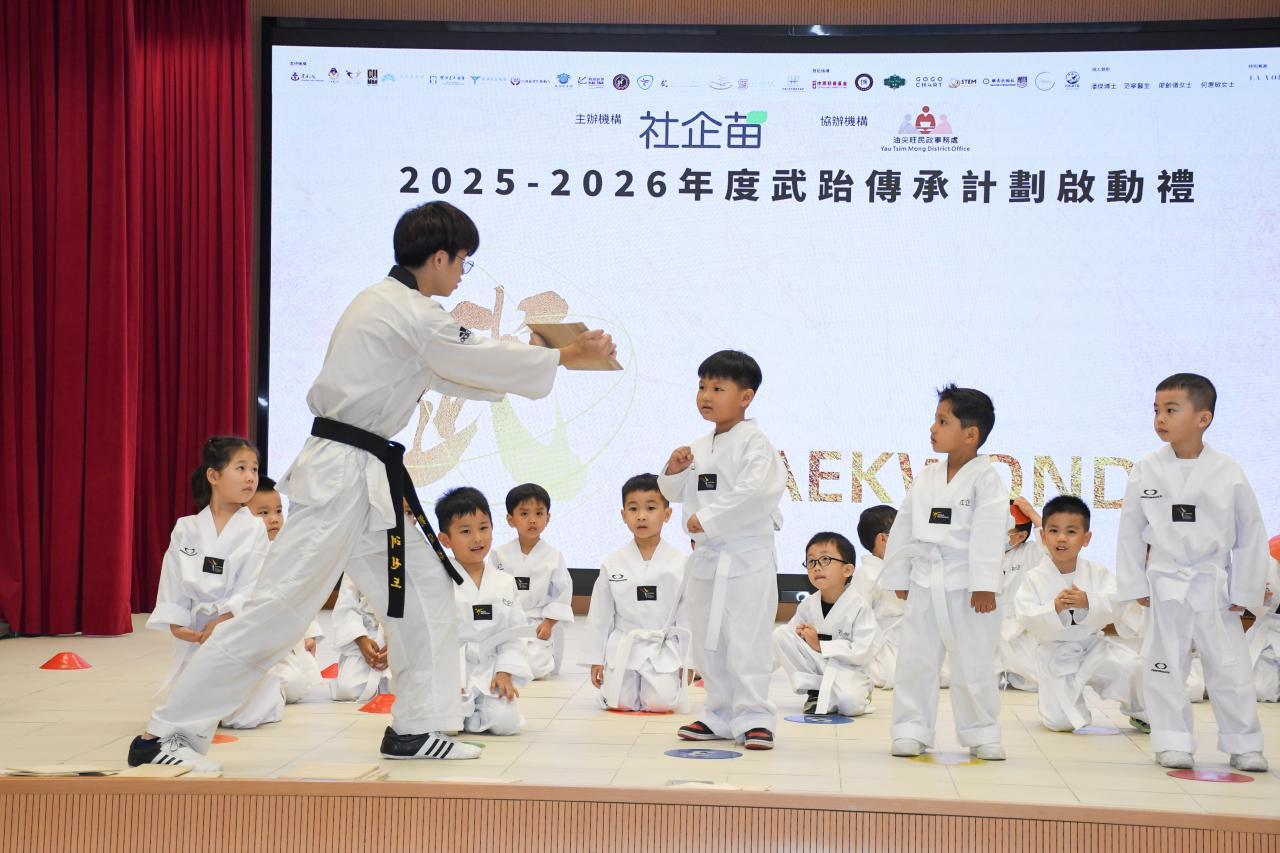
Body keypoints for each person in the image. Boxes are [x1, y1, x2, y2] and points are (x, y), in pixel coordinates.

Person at [128, 201, 615, 770]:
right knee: (278, 610)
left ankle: (416, 728)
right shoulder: (406, 311)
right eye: (463, 262)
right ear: (439, 258)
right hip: (340, 476)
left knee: (426, 593)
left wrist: (547, 356)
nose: (463, 274)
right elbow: (470, 355)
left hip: (367, 478)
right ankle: (166, 736)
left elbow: (460, 369)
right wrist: (565, 355)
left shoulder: (397, 309)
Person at [1116, 373, 1269, 772]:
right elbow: (1130, 531)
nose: (1160, 419)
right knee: (1163, 666)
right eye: (1156, 410)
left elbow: (1251, 534)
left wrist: (1245, 591)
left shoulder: (1228, 471)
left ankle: (1244, 742)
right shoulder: (1146, 468)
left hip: (1213, 585)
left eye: (1171, 410)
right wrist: (1134, 583)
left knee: (1229, 667)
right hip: (1164, 581)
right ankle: (1172, 740)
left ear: (1203, 418)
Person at [659, 350, 786, 750]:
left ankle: (755, 716)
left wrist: (709, 518)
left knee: (747, 638)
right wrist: (674, 471)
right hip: (707, 557)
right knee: (708, 639)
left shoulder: (756, 444)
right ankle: (718, 712)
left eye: (717, 388)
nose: (706, 396)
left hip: (745, 557)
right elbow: (674, 492)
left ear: (746, 397)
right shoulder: (699, 446)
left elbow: (756, 493)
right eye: (702, 387)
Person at [882, 385, 1007, 761]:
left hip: (968, 584)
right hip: (926, 578)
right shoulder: (926, 477)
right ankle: (911, 728)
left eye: (942, 421)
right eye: (935, 420)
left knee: (974, 660)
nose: (932, 428)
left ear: (971, 434)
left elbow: (989, 532)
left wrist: (984, 584)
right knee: (916, 658)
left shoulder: (987, 480)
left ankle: (982, 731)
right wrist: (899, 575)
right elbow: (904, 525)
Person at [145, 438, 286, 732]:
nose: (250, 477)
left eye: (254, 469)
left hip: (235, 627)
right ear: (213, 475)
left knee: (240, 718)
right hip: (197, 631)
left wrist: (224, 618)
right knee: (191, 709)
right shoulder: (186, 527)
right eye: (241, 468)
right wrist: (177, 623)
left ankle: (270, 686)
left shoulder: (254, 529)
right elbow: (173, 577)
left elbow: (253, 585)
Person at [1014, 495, 1147, 733]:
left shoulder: (1097, 572)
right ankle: (1052, 701)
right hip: (1056, 655)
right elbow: (1026, 615)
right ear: (1043, 536)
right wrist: (1054, 609)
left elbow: (1119, 603)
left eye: (1071, 532)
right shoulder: (1034, 577)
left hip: (1093, 647)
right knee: (1060, 722)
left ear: (1086, 538)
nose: (1061, 538)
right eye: (1054, 531)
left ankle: (1141, 713)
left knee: (1132, 667)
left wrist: (1089, 602)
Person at [584, 473, 690, 712]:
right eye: (633, 509)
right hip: (624, 644)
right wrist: (595, 659)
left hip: (662, 646)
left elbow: (687, 616)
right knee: (619, 702)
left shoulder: (680, 563)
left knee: (660, 703)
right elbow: (600, 615)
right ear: (623, 515)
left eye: (650, 508)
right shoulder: (613, 563)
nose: (641, 516)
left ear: (667, 514)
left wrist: (688, 660)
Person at [442, 487, 531, 736]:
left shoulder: (504, 582)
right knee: (447, 726)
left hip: (490, 669)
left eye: (483, 528)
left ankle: (475, 711)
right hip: (451, 670)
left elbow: (515, 634)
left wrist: (504, 672)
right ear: (445, 539)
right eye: (465, 531)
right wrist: (446, 677)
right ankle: (463, 711)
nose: (477, 538)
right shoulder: (436, 581)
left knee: (506, 724)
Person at [773, 532, 879, 716]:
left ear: (847, 570)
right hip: (817, 668)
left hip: (848, 671)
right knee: (781, 634)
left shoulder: (860, 606)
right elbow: (789, 641)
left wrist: (820, 645)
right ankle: (815, 691)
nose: (816, 567)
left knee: (850, 705)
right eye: (811, 561)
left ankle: (857, 692)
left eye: (825, 560)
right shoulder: (808, 606)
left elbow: (863, 651)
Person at [490, 483, 573, 679]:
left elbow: (562, 594)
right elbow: (490, 591)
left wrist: (548, 623)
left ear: (548, 518)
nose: (532, 520)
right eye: (524, 514)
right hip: (506, 622)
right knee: (495, 661)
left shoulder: (553, 556)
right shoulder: (499, 555)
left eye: (539, 513)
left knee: (534, 666)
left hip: (538, 624)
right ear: (511, 519)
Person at [851, 505, 904, 689]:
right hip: (885, 651)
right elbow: (857, 622)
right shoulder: (866, 574)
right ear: (883, 538)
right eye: (903, 533)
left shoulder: (906, 569)